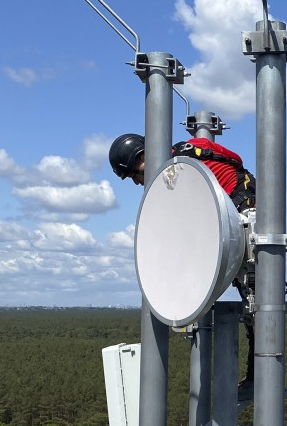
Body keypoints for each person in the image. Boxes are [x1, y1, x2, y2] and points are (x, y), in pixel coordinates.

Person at [109, 133, 258, 398]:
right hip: (230, 212)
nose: (135, 180)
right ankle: (257, 374)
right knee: (250, 298)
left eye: (134, 173)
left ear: (142, 157)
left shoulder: (182, 164)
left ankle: (260, 374)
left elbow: (231, 163)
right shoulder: (179, 163)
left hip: (243, 209)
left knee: (256, 302)